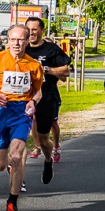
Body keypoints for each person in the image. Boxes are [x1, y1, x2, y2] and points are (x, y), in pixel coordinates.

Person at [0, 24, 43, 211]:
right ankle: (13, 167)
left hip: (21, 111)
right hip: (0, 110)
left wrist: (32, 102)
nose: (16, 43)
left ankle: (12, 202)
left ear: (27, 41)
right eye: (13, 39)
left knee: (16, 155)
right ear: (8, 40)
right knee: (0, 165)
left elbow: (38, 91)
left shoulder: (33, 65)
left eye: (21, 40)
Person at [23, 17, 70, 181]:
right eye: (28, 29)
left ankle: (48, 160)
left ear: (42, 31)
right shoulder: (21, 48)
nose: (31, 33)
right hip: (23, 98)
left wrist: (46, 69)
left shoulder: (51, 49)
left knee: (43, 140)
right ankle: (17, 175)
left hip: (47, 97)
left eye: (35, 29)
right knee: (18, 138)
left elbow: (66, 71)